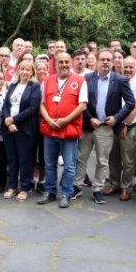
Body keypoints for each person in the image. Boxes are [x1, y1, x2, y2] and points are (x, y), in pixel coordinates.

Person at [74, 49, 135, 204]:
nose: (106, 62)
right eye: (103, 59)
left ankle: (97, 189)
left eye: (109, 59)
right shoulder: (87, 78)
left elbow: (131, 102)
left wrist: (117, 118)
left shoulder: (120, 80)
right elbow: (82, 101)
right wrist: (90, 117)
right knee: (82, 158)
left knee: (102, 160)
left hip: (106, 127)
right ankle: (77, 187)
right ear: (97, 61)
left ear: (113, 62)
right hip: (89, 125)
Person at [38, 52, 88, 208]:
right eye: (61, 62)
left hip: (69, 129)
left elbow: (82, 105)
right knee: (50, 163)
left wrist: (65, 120)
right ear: (55, 64)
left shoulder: (80, 81)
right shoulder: (47, 81)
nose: (64, 64)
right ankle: (50, 191)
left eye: (67, 61)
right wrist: (48, 120)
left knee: (69, 165)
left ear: (71, 63)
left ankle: (66, 193)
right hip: (50, 128)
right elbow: (41, 104)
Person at [105, 57, 136, 201]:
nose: (128, 70)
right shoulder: (117, 80)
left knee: (128, 160)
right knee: (113, 156)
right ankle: (115, 183)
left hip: (130, 126)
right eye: (126, 67)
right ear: (121, 67)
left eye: (131, 67)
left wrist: (125, 124)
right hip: (114, 124)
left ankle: (126, 188)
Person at [1, 60, 42, 201]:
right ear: (18, 70)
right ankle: (12, 186)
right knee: (12, 159)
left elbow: (32, 109)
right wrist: (8, 120)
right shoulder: (12, 86)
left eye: (27, 70)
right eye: (22, 69)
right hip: (9, 128)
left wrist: (14, 120)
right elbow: (5, 105)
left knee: (25, 160)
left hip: (26, 129)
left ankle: (25, 187)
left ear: (32, 72)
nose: (24, 72)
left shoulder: (35, 87)